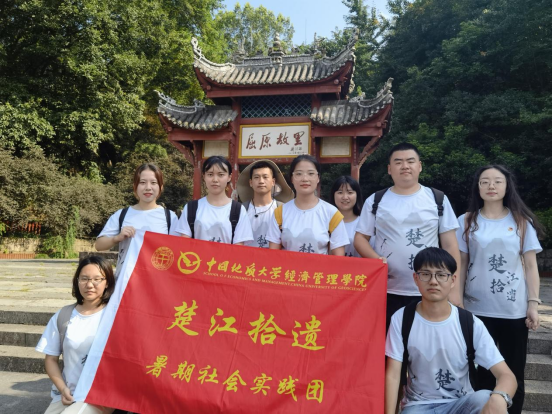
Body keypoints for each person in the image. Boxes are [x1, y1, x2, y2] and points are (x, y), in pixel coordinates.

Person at [385, 247, 517, 414]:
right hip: (419, 406)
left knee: (486, 398)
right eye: (425, 274)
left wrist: (499, 397)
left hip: (462, 404)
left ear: (453, 280)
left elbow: (507, 375)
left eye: (441, 275)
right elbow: (393, 374)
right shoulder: (402, 319)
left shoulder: (469, 323)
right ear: (416, 278)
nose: (433, 281)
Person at [456, 165, 544, 414]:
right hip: (476, 309)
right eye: (484, 181)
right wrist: (457, 301)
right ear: (478, 187)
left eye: (497, 181)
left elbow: (530, 266)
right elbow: (461, 263)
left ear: (507, 187)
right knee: (479, 370)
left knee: (514, 370)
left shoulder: (521, 222)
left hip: (513, 311)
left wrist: (533, 304)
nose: (491, 186)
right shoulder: (466, 220)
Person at [354, 142, 461, 331]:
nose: (405, 166)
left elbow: (450, 246)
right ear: (389, 169)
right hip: (386, 288)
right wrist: (377, 260)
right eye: (398, 162)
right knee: (388, 341)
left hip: (430, 288)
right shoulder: (376, 200)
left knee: (426, 341)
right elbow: (360, 238)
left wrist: (454, 290)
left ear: (419, 166)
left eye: (410, 161)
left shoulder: (437, 199)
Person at [36, 256, 116, 414]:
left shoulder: (115, 316)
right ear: (77, 281)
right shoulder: (63, 315)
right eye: (84, 278)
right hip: (68, 393)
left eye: (97, 279)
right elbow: (51, 359)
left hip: (100, 396)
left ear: (107, 282)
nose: (90, 285)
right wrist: (62, 389)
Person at [95, 163, 178, 278]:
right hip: (126, 280)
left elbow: (177, 251)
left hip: (158, 281)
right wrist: (117, 238)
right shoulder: (122, 215)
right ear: (135, 186)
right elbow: (99, 245)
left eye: (153, 182)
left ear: (161, 187)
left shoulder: (170, 217)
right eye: (142, 182)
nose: (148, 187)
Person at [267, 154, 349, 255]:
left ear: (318, 178)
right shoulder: (280, 213)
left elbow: (339, 258)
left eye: (311, 173)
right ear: (292, 178)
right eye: (299, 174)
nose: (305, 178)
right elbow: (273, 255)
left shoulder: (332, 213)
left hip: (320, 266)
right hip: (288, 266)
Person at [173, 155, 253, 244]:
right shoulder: (191, 208)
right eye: (210, 174)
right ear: (204, 176)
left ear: (229, 177)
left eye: (221, 175)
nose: (215, 180)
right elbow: (184, 244)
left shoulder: (238, 210)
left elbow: (239, 247)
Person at [236, 159, 294, 248]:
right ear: (250, 182)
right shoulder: (241, 210)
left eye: (265, 177)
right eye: (256, 177)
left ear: (273, 182)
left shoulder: (282, 209)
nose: (261, 181)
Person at [330, 175, 363, 257]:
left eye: (350, 193)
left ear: (357, 195)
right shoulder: (325, 222)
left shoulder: (364, 224)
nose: (345, 197)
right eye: (340, 192)